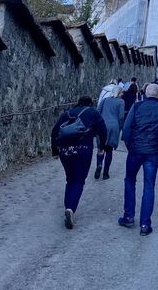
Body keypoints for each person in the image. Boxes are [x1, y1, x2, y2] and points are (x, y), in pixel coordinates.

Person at [118, 83, 158, 236]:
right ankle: (144, 224)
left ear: (146, 94)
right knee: (149, 186)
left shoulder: (136, 107)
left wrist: (130, 145)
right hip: (153, 153)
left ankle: (128, 216)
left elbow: (127, 128)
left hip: (135, 150)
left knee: (130, 180)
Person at [51, 95, 107, 230]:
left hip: (65, 151)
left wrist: (55, 151)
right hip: (83, 150)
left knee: (70, 179)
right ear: (90, 104)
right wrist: (101, 146)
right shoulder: (93, 113)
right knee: (78, 180)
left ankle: (67, 207)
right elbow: (103, 131)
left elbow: (54, 132)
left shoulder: (67, 113)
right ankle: (70, 208)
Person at [95, 86, 125, 180]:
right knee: (109, 150)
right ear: (118, 93)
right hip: (113, 126)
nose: (122, 94)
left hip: (103, 126)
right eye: (121, 93)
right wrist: (120, 127)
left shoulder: (105, 100)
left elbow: (98, 111)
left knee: (100, 148)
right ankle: (106, 173)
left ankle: (99, 164)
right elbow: (121, 117)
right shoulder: (121, 102)